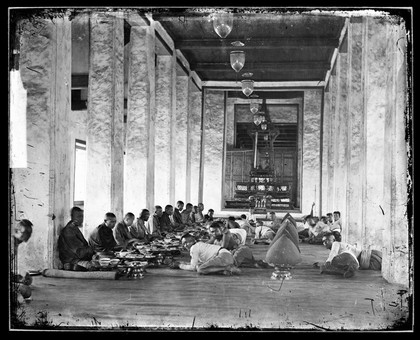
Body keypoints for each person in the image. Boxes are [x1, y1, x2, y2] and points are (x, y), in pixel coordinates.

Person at [170, 233, 241, 275]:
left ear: (193, 241)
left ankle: (227, 268)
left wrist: (180, 265)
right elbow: (195, 264)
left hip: (223, 256)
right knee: (199, 266)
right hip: (226, 256)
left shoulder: (194, 248)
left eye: (186, 242)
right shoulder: (198, 244)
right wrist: (182, 262)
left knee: (201, 269)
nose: (185, 245)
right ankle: (224, 270)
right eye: (183, 244)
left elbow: (192, 267)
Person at [11, 219, 34, 300]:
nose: (24, 240)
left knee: (28, 280)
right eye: (24, 235)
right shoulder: (11, 243)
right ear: (18, 231)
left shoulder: (15, 244)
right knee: (26, 291)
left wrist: (21, 276)